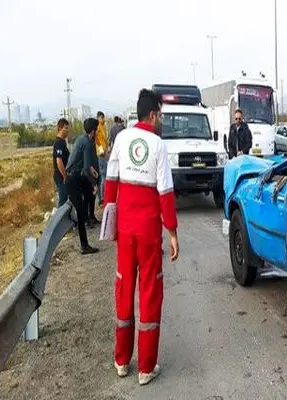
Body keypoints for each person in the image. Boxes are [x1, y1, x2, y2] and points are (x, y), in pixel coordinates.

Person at [104, 88, 179, 385]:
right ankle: (146, 368)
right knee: (149, 293)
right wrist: (172, 232)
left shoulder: (121, 139)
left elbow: (111, 183)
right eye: (160, 115)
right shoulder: (158, 145)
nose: (161, 120)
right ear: (152, 115)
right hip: (148, 233)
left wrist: (110, 225)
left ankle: (122, 360)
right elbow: (165, 194)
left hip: (125, 230)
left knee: (124, 289)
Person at [65, 118, 100, 255]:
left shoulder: (82, 139)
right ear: (93, 131)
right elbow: (86, 167)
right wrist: (93, 183)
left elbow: (87, 166)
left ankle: (88, 217)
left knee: (89, 193)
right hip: (72, 179)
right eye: (96, 130)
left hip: (77, 176)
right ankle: (84, 245)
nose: (97, 132)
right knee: (80, 210)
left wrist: (93, 177)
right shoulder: (87, 142)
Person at [52, 118, 70, 207]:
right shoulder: (59, 143)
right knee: (62, 202)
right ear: (59, 128)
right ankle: (59, 220)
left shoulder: (63, 142)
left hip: (62, 175)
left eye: (67, 128)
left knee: (65, 199)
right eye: (65, 128)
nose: (67, 131)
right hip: (60, 176)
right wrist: (65, 176)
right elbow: (59, 161)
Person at [95, 111, 109, 206]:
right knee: (103, 174)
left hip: (104, 153)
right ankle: (102, 197)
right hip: (101, 154)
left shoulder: (103, 126)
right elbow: (96, 139)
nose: (104, 120)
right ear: (99, 118)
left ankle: (104, 195)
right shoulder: (98, 126)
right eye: (103, 118)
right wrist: (100, 150)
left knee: (105, 174)